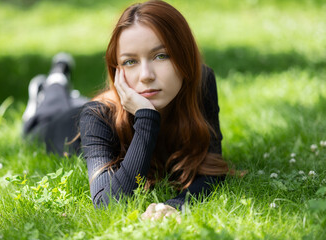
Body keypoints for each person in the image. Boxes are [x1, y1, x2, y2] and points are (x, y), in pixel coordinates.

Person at [23, 0, 229, 220]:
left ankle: (61, 84)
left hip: (91, 106)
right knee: (43, 118)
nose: (146, 75)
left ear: (185, 56)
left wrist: (178, 205)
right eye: (130, 61)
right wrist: (147, 118)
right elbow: (107, 202)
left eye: (161, 56)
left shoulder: (202, 83)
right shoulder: (97, 116)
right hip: (57, 124)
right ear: (117, 70)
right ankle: (52, 84)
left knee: (73, 102)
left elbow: (210, 168)